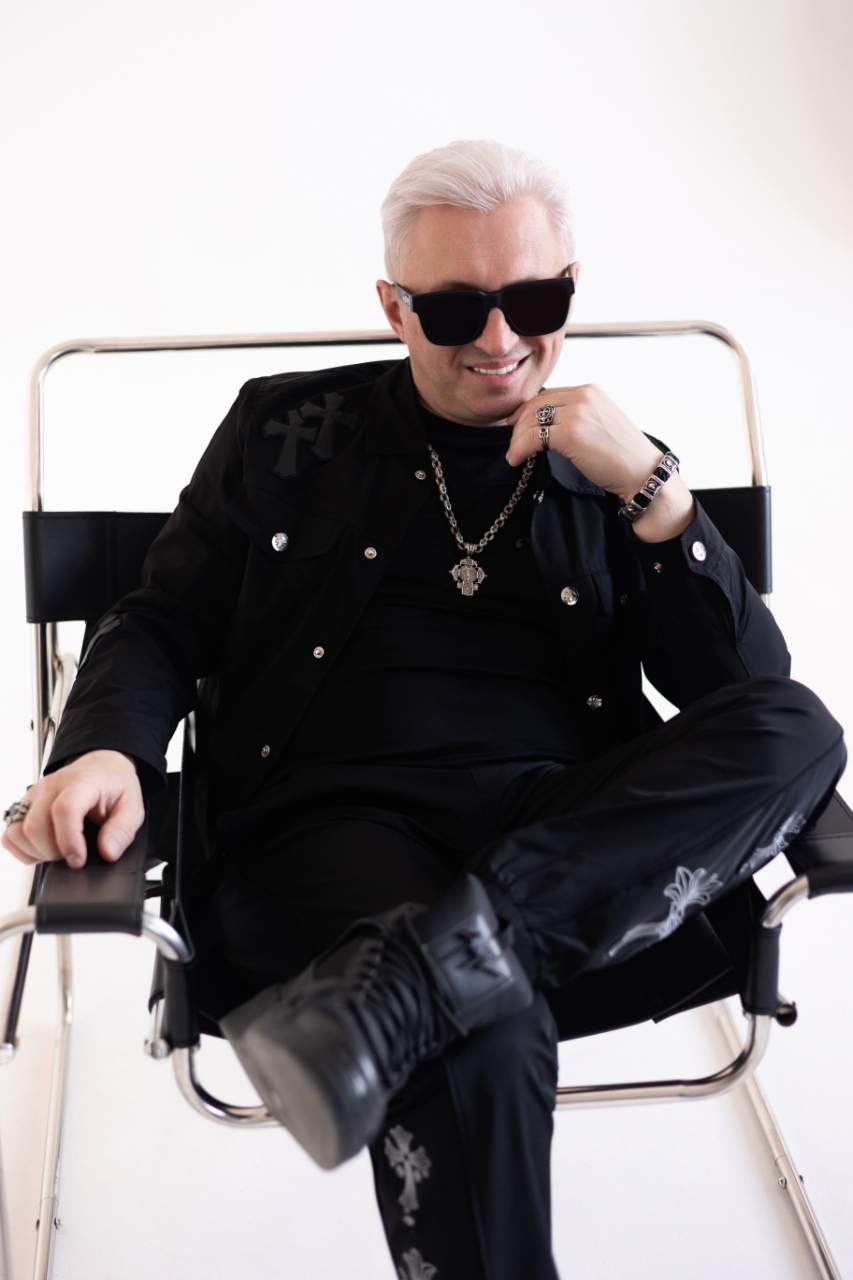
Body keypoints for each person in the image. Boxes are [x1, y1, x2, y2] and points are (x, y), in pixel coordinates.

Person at [2, 140, 845, 1280]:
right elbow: (160, 616)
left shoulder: (613, 460)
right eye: (453, 308)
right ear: (393, 306)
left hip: (563, 822)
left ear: (570, 290)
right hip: (326, 824)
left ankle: (421, 974)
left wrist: (652, 489)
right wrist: (107, 746)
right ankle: (445, 970)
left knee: (802, 726)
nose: (499, 337)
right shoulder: (283, 432)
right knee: (483, 1019)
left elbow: (745, 695)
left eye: (533, 301)